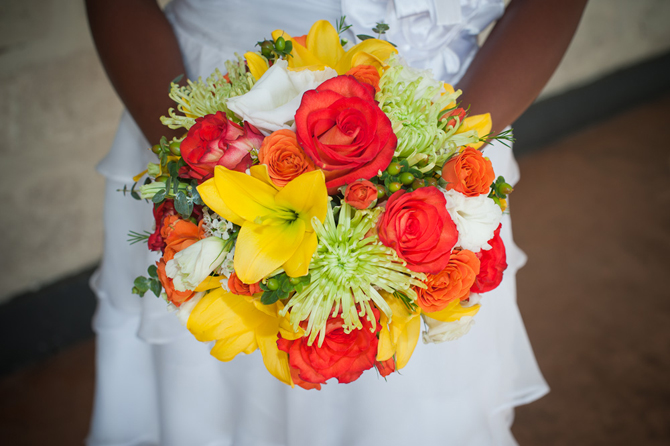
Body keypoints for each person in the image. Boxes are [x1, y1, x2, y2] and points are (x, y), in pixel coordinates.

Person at [85, 1, 586, 445]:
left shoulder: (446, 152)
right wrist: (199, 168)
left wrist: (445, 156)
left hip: (453, 122)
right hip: (217, 119)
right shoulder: (207, 151)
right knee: (208, 392)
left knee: (415, 401)